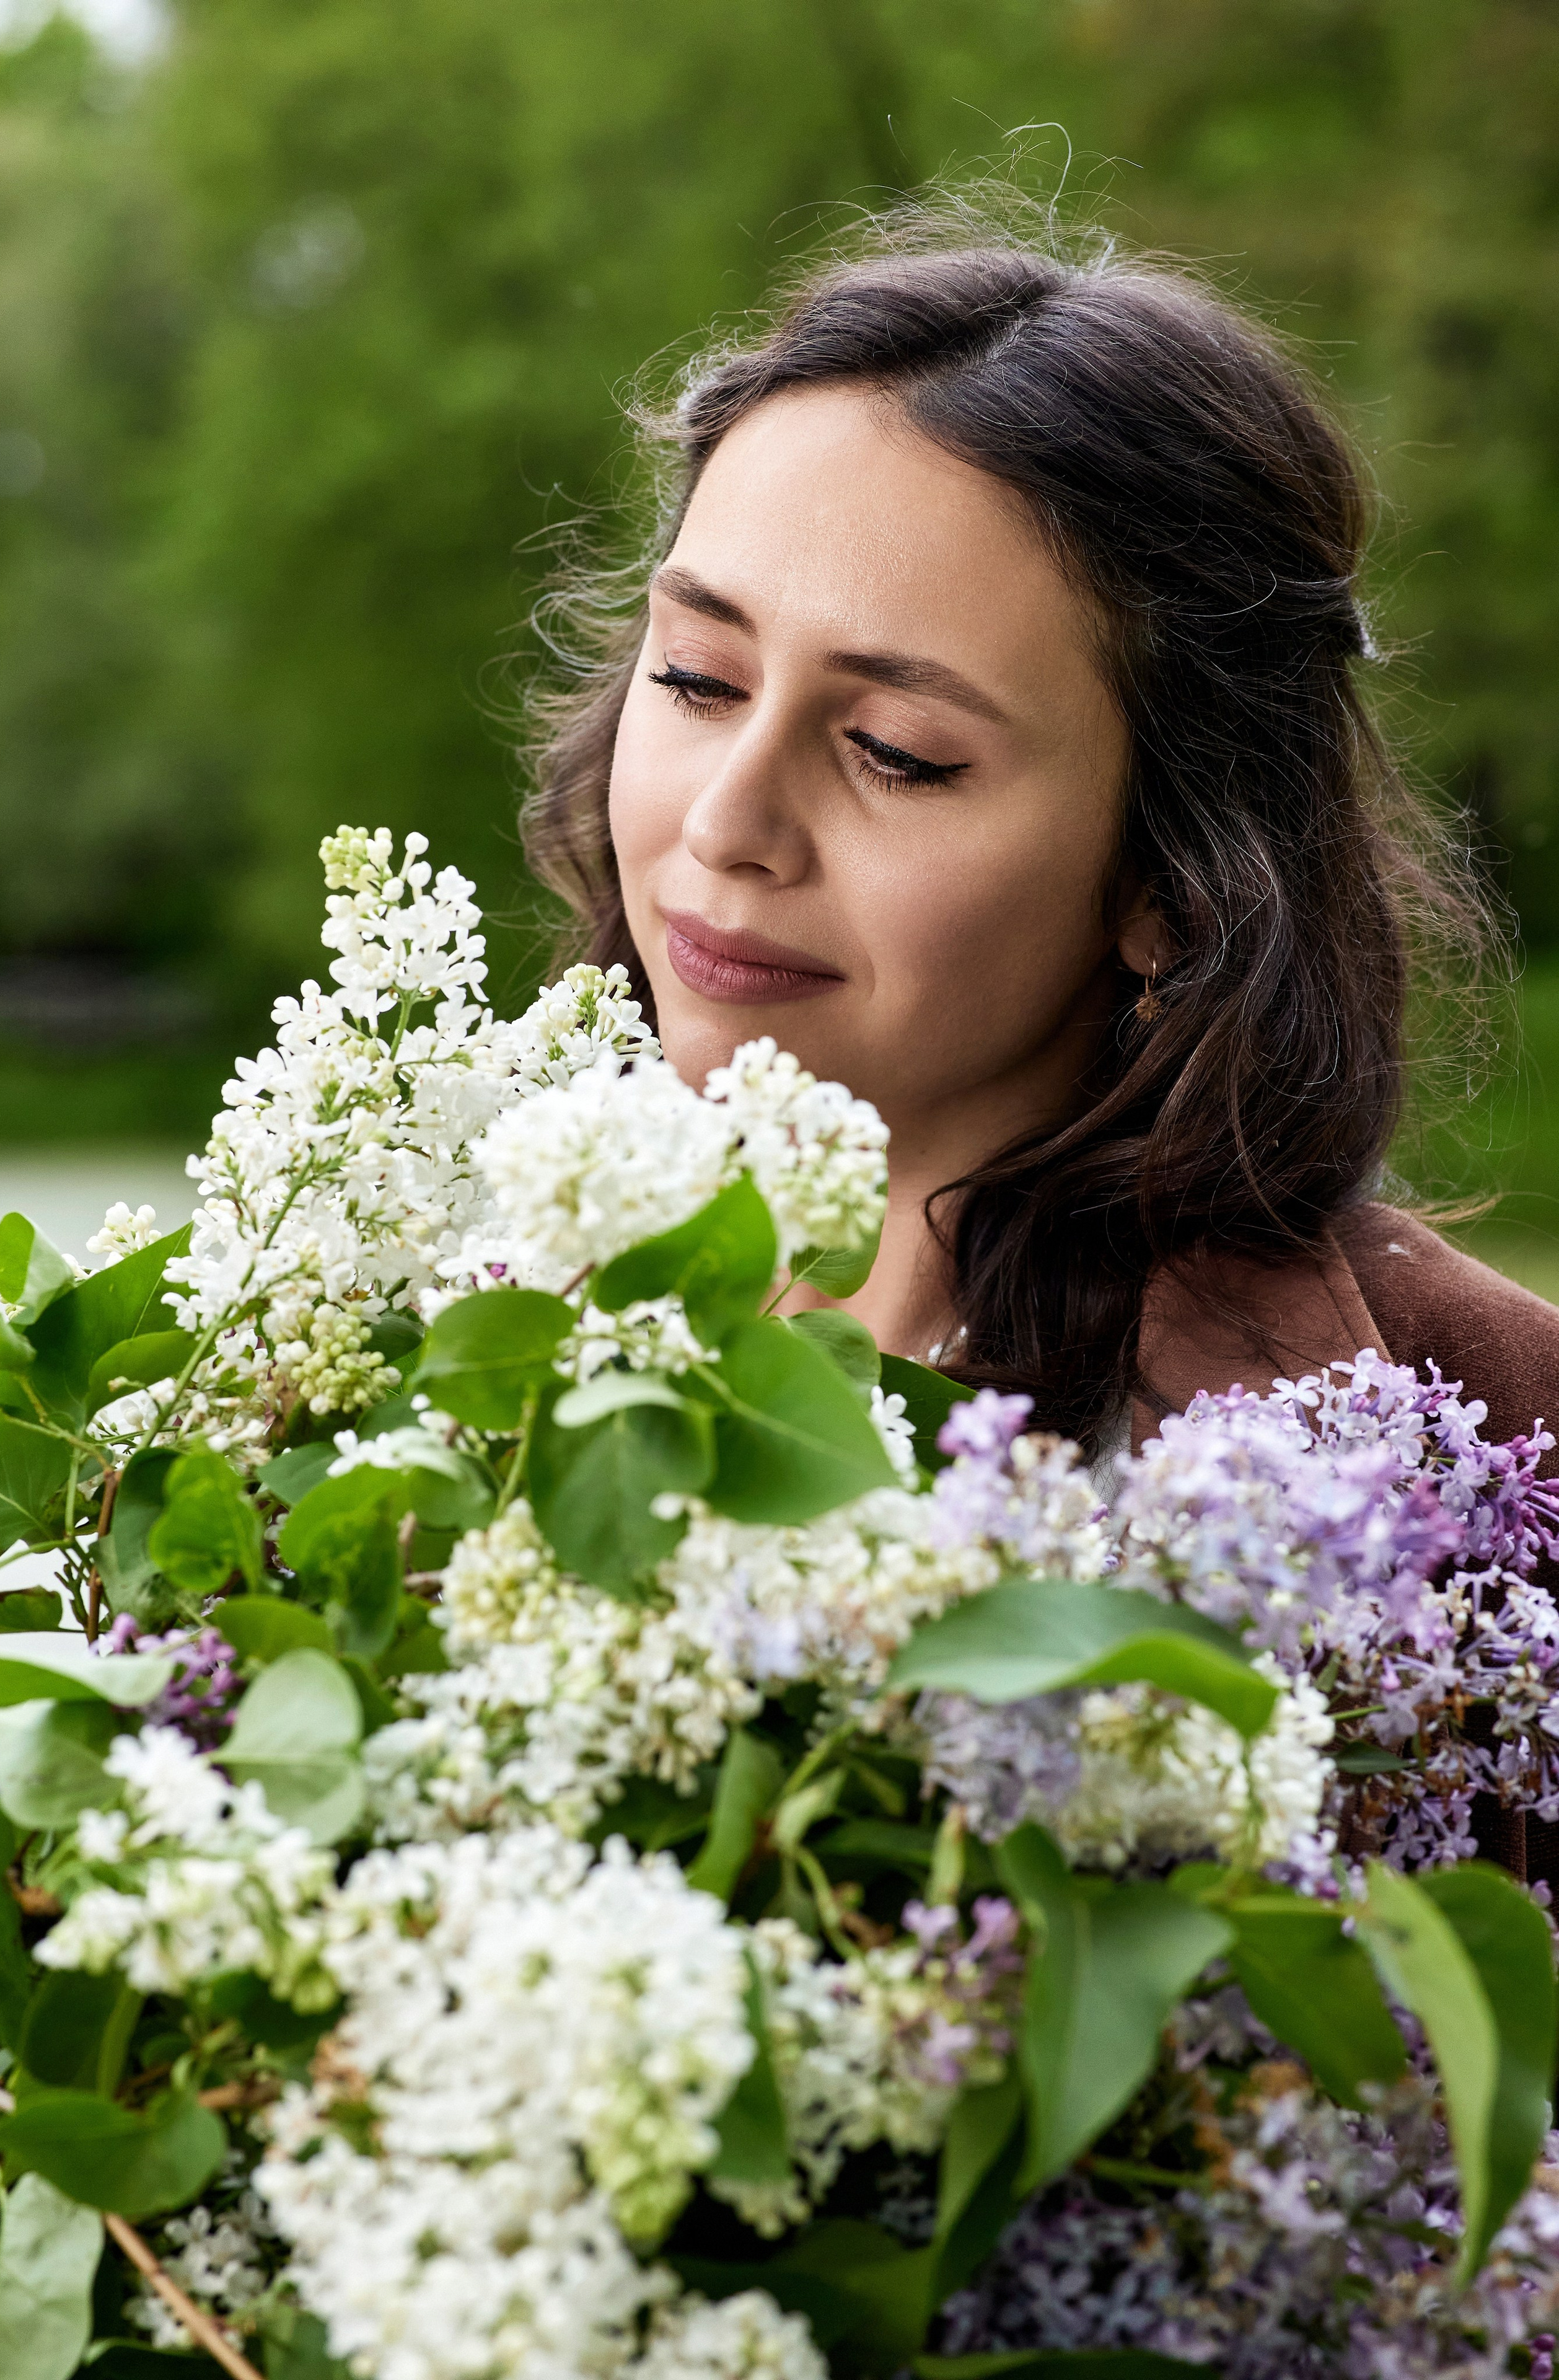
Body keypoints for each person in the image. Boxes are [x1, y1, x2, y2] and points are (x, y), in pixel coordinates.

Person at [520, 196, 1559, 1872]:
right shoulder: (408, 1343)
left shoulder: (1491, 1448)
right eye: (697, 676)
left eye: (900, 753)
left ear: (1171, 870)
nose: (726, 822)